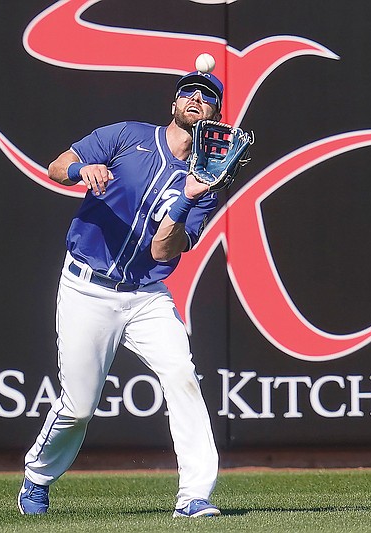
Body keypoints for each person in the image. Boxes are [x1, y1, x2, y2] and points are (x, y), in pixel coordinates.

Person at [18, 70, 226, 518]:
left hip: (146, 295)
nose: (196, 97)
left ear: (215, 115)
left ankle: (194, 495)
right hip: (86, 287)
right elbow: (55, 166)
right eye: (188, 91)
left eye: (207, 96)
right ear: (173, 104)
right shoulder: (126, 135)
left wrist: (187, 200)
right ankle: (37, 476)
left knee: (182, 376)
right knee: (79, 407)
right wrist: (80, 169)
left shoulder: (205, 181)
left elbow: (162, 250)